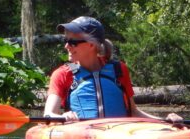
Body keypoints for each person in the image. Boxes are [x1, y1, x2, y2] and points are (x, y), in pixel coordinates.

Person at [43, 16, 182, 123]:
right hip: (80, 135)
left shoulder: (119, 70)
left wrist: (166, 122)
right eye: (65, 41)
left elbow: (134, 112)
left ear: (91, 45)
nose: (67, 46)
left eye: (72, 42)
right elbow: (48, 115)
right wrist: (63, 116)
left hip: (117, 136)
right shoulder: (62, 74)